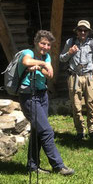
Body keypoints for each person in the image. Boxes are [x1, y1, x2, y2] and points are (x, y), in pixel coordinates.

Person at [18, 30, 74, 175]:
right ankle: (58, 166)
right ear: (36, 42)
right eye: (43, 43)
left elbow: (50, 74)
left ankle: (32, 166)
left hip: (43, 95)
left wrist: (41, 67)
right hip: (29, 96)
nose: (45, 47)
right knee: (46, 130)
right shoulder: (27, 52)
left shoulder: (46, 56)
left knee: (38, 131)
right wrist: (42, 64)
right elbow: (26, 62)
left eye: (48, 44)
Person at [59, 20, 93, 141]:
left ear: (88, 32)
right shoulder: (70, 42)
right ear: (76, 31)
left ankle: (92, 130)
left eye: (85, 30)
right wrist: (69, 53)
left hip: (88, 77)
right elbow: (61, 58)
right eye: (80, 30)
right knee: (76, 106)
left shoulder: (92, 43)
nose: (82, 32)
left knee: (91, 104)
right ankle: (80, 131)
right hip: (74, 77)